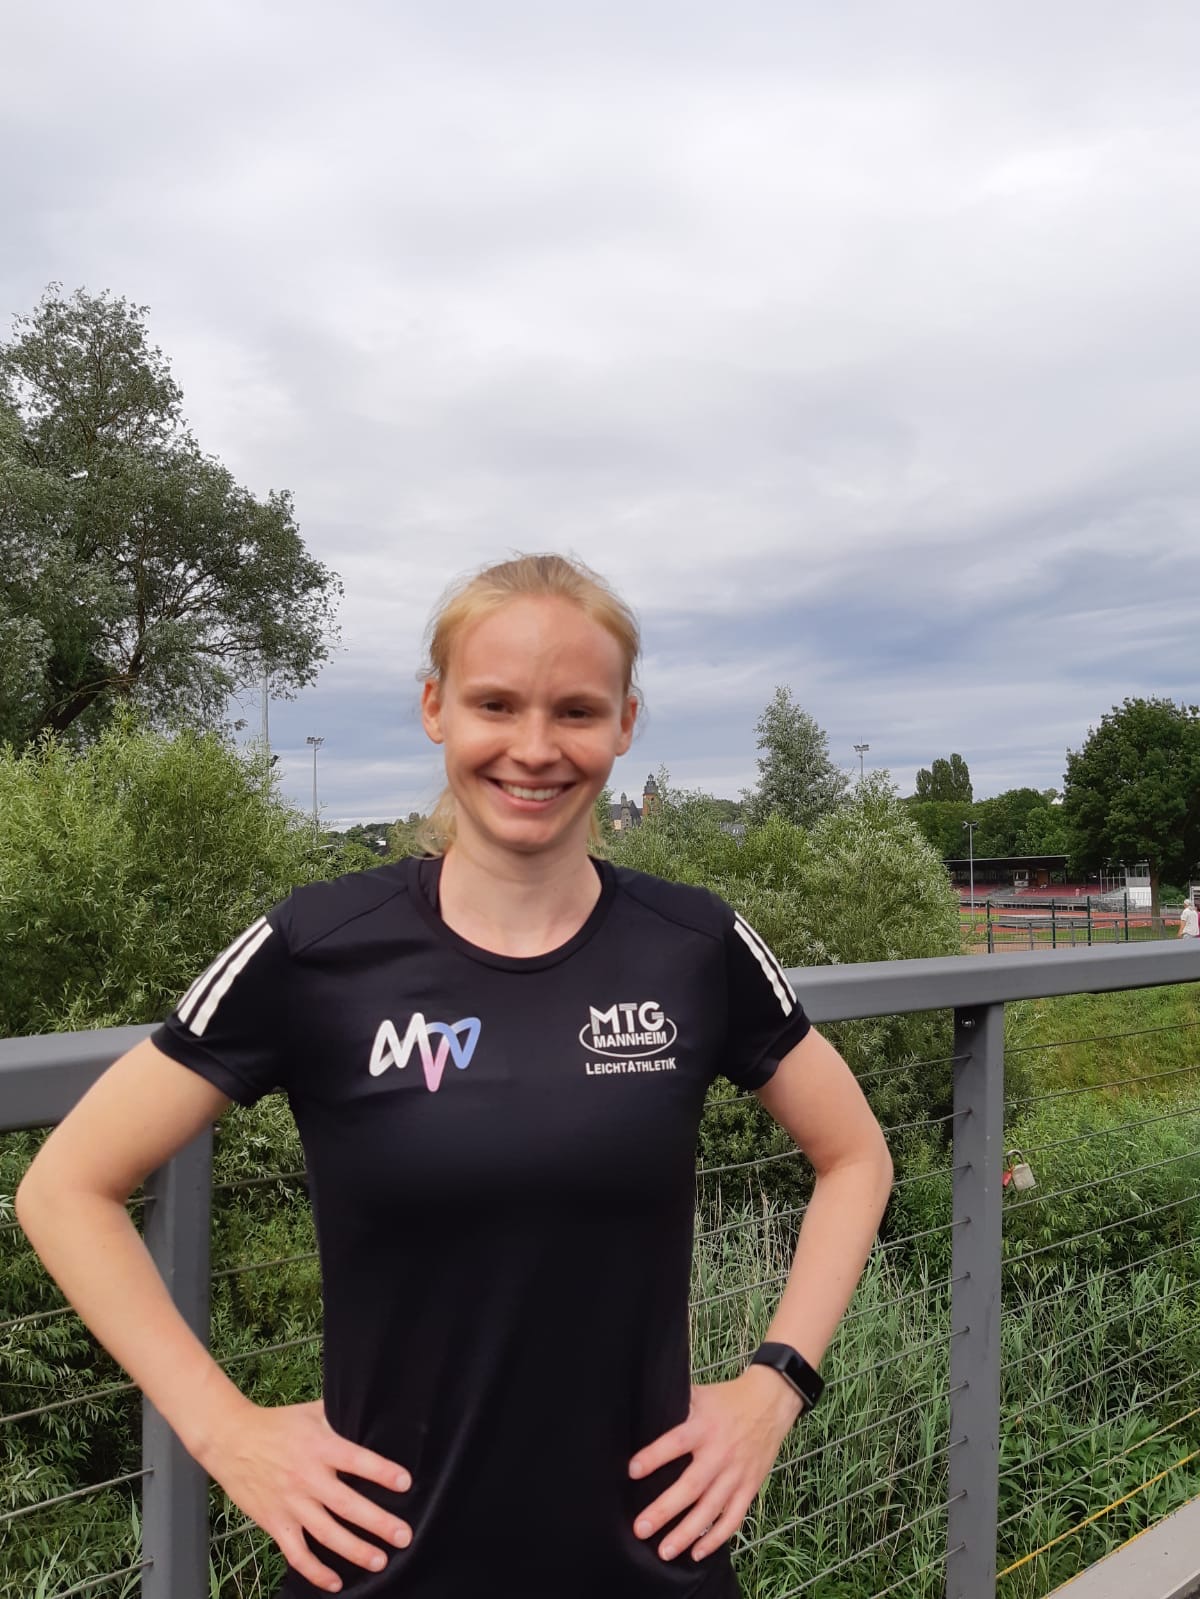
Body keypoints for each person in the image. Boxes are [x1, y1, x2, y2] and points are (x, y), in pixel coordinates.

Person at [17, 554, 893, 1599]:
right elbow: (65, 1188)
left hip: (652, 1562)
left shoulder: (695, 944)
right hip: (377, 1564)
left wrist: (776, 1385)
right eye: (496, 704)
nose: (535, 747)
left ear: (625, 724)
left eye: (577, 710)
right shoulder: (317, 947)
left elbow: (855, 1156)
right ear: (436, 708)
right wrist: (224, 1432)